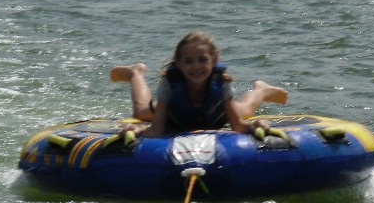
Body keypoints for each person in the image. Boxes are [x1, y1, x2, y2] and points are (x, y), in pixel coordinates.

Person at [110, 31, 288, 138]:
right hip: (176, 115)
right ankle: (136, 72)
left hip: (214, 114)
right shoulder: (169, 84)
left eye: (202, 60)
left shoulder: (221, 83)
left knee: (246, 110)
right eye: (189, 61)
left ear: (214, 60)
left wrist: (254, 125)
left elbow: (238, 126)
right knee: (141, 112)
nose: (196, 66)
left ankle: (261, 90)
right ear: (178, 64)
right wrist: (138, 130)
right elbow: (156, 130)